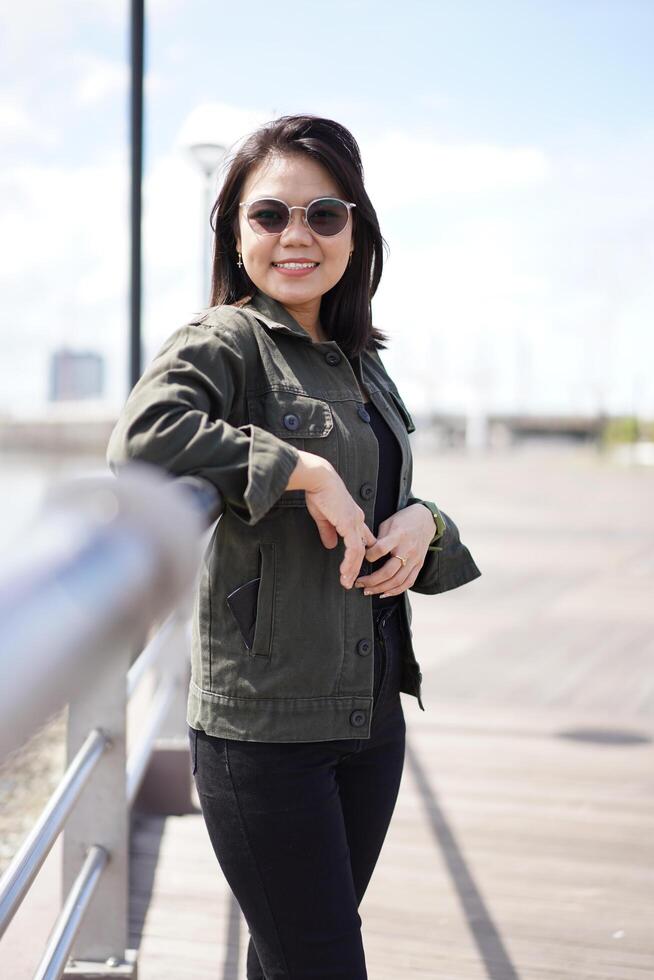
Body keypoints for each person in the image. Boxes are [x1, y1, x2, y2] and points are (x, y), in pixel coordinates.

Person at [106, 113, 481, 979]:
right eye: (269, 214)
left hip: (370, 713)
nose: (296, 236)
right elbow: (144, 437)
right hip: (265, 734)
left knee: (291, 957)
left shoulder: (359, 361)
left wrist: (425, 523)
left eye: (324, 214)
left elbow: (390, 494)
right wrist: (301, 469)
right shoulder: (226, 340)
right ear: (237, 234)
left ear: (357, 232)